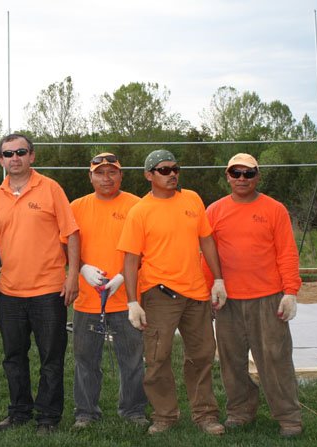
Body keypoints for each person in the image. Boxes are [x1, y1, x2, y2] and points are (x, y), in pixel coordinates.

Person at [0, 133, 80, 435]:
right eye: (8, 154)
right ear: (1, 160)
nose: (14, 158)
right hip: (10, 294)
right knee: (13, 358)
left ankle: (48, 417)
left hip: (48, 291)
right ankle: (19, 412)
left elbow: (71, 233)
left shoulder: (50, 189)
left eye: (20, 152)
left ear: (32, 156)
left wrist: (72, 276)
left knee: (51, 358)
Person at [117, 149, 228, 436]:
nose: (172, 174)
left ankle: (205, 414)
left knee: (202, 356)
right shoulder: (140, 211)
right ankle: (165, 415)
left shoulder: (192, 199)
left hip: (196, 295)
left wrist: (218, 280)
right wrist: (132, 302)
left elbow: (207, 241)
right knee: (157, 358)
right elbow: (130, 259)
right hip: (159, 294)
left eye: (175, 168)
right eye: (163, 170)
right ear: (149, 175)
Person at [205, 153, 302, 437]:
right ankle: (240, 411)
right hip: (228, 300)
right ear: (228, 176)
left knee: (275, 358)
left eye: (248, 173)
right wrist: (212, 286)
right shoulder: (215, 211)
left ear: (258, 176)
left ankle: (288, 417)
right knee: (231, 360)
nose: (242, 179)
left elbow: (287, 252)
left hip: (268, 299)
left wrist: (290, 292)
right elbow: (206, 255)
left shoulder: (274, 209)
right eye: (236, 173)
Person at [69, 152, 149, 429]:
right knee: (85, 360)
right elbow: (62, 247)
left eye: (112, 172)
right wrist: (81, 268)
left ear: (121, 175)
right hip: (87, 299)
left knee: (132, 360)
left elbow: (149, 248)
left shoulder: (137, 206)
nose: (106, 178)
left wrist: (124, 277)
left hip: (127, 299)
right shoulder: (76, 207)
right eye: (100, 172)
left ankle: (134, 409)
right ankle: (86, 412)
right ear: (90, 176)